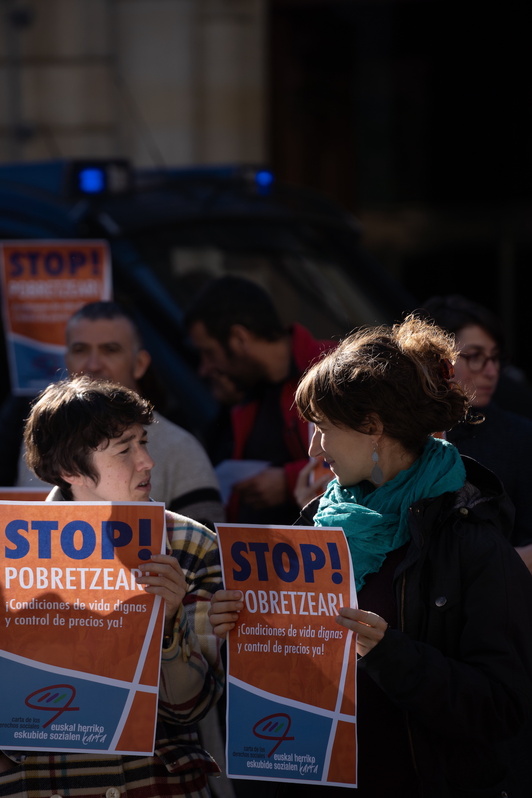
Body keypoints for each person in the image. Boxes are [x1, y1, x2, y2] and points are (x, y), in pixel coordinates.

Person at [208, 315, 532, 798]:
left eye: (324, 429)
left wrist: (389, 653)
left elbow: (501, 707)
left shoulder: (472, 541)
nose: (315, 448)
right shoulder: (316, 523)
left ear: (373, 427)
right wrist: (238, 631)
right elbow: (284, 678)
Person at [0, 375, 223, 797]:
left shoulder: (190, 545)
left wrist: (170, 621)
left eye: (144, 442)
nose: (147, 462)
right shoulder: (7, 549)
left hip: (151, 785)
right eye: (125, 449)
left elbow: (192, 706)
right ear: (70, 471)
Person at [15, 300, 224, 530]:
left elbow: (207, 556)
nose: (93, 365)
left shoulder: (181, 448)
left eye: (110, 350)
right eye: (80, 350)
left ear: (140, 364)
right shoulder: (41, 440)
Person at [184, 276, 335, 525]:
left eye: (209, 352)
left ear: (239, 338)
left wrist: (288, 482)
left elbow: (372, 455)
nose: (204, 368)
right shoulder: (245, 393)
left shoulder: (335, 369)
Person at [421, 294, 532, 568]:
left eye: (495, 358)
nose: (491, 371)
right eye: (475, 357)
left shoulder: (519, 436)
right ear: (435, 361)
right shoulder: (403, 432)